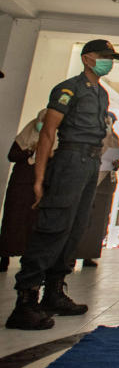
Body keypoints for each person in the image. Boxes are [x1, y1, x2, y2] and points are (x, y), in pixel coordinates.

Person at [6, 39, 119, 330]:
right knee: (53, 227)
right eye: (104, 56)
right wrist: (39, 177)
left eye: (112, 58)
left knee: (74, 230)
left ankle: (54, 292)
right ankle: (25, 301)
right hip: (69, 160)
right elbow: (48, 134)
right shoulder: (68, 89)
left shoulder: (101, 94)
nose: (109, 62)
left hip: (90, 163)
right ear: (87, 58)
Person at [0, 110, 46, 273]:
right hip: (20, 184)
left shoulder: (51, 141)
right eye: (41, 121)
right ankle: (4, 255)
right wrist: (29, 151)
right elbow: (12, 155)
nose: (42, 124)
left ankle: (28, 257)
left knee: (31, 222)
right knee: (13, 219)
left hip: (38, 186)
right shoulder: (24, 138)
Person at [75, 112, 119, 267]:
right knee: (81, 217)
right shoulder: (91, 134)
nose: (109, 124)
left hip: (106, 182)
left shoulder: (113, 138)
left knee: (98, 221)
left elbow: (115, 157)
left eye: (111, 122)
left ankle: (88, 254)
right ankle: (71, 255)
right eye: (107, 121)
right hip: (89, 178)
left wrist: (115, 163)